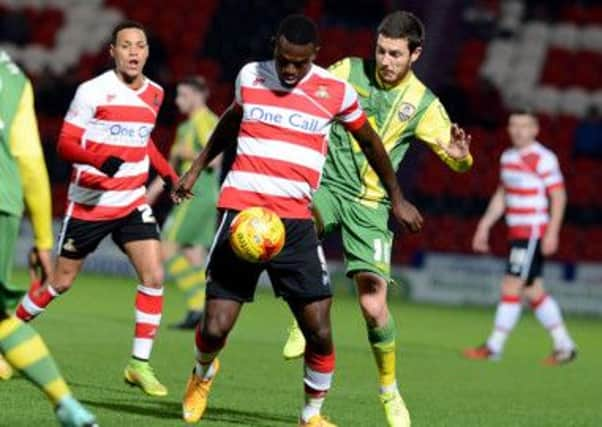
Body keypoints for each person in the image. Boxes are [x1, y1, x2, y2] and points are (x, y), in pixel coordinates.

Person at [171, 14, 423, 427]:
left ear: (315, 56)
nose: (289, 69)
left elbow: (370, 141)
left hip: (295, 222)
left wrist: (397, 197)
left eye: (299, 63)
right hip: (242, 215)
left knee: (320, 330)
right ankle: (202, 373)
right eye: (284, 59)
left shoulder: (335, 91)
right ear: (274, 47)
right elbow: (232, 120)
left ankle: (311, 416)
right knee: (215, 328)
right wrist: (196, 169)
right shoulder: (250, 76)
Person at [281, 11, 473, 427]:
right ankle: (303, 316)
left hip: (371, 205)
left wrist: (460, 159)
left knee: (372, 304)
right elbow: (304, 95)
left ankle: (389, 391)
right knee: (300, 225)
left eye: (395, 54)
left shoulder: (423, 104)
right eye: (381, 51)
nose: (385, 61)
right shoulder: (347, 70)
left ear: (415, 55)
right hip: (327, 187)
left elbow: (456, 160)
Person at [14, 21, 179, 397]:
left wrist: (168, 174)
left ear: (147, 52)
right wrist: (97, 158)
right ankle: (9, 334)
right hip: (90, 204)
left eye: (140, 45)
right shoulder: (92, 92)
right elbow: (65, 144)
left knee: (153, 276)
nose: (134, 52)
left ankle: (139, 363)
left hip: (132, 201)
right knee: (60, 282)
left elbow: (144, 140)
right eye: (126, 46)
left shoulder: (155, 93)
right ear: (113, 52)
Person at [0, 49, 97, 426]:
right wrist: (43, 239)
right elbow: (29, 159)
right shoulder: (13, 77)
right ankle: (67, 404)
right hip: (4, 203)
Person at [463, 109, 577, 365]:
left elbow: (558, 196)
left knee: (511, 286)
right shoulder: (508, 157)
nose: (517, 130)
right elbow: (503, 194)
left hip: (533, 232)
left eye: (524, 126)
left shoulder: (543, 158)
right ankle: (565, 346)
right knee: (533, 290)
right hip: (517, 233)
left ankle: (494, 346)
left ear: (535, 129)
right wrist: (485, 225)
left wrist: (552, 232)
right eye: (513, 125)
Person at [147, 76, 219, 329]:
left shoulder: (206, 121)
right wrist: (149, 195)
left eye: (183, 96)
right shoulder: (184, 128)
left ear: (198, 96)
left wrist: (183, 153)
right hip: (200, 196)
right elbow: (170, 169)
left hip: (196, 196)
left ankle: (199, 304)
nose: (178, 101)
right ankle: (201, 313)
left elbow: (216, 160)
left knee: (166, 248)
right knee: (193, 255)